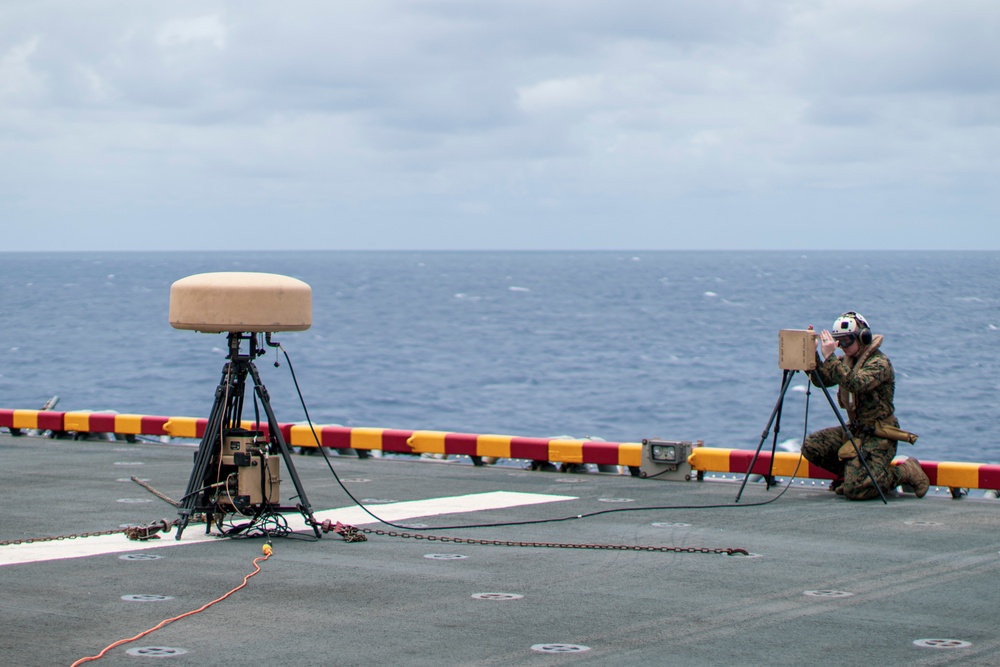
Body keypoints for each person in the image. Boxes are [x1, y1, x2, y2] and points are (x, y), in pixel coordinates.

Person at [801, 311, 930, 501]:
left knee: (856, 490)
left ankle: (905, 472)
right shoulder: (846, 361)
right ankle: (854, 475)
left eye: (846, 340)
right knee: (812, 446)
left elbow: (856, 383)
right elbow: (823, 380)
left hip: (879, 434)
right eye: (839, 341)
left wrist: (830, 359)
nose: (842, 346)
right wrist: (812, 356)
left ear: (863, 337)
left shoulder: (879, 363)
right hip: (856, 430)